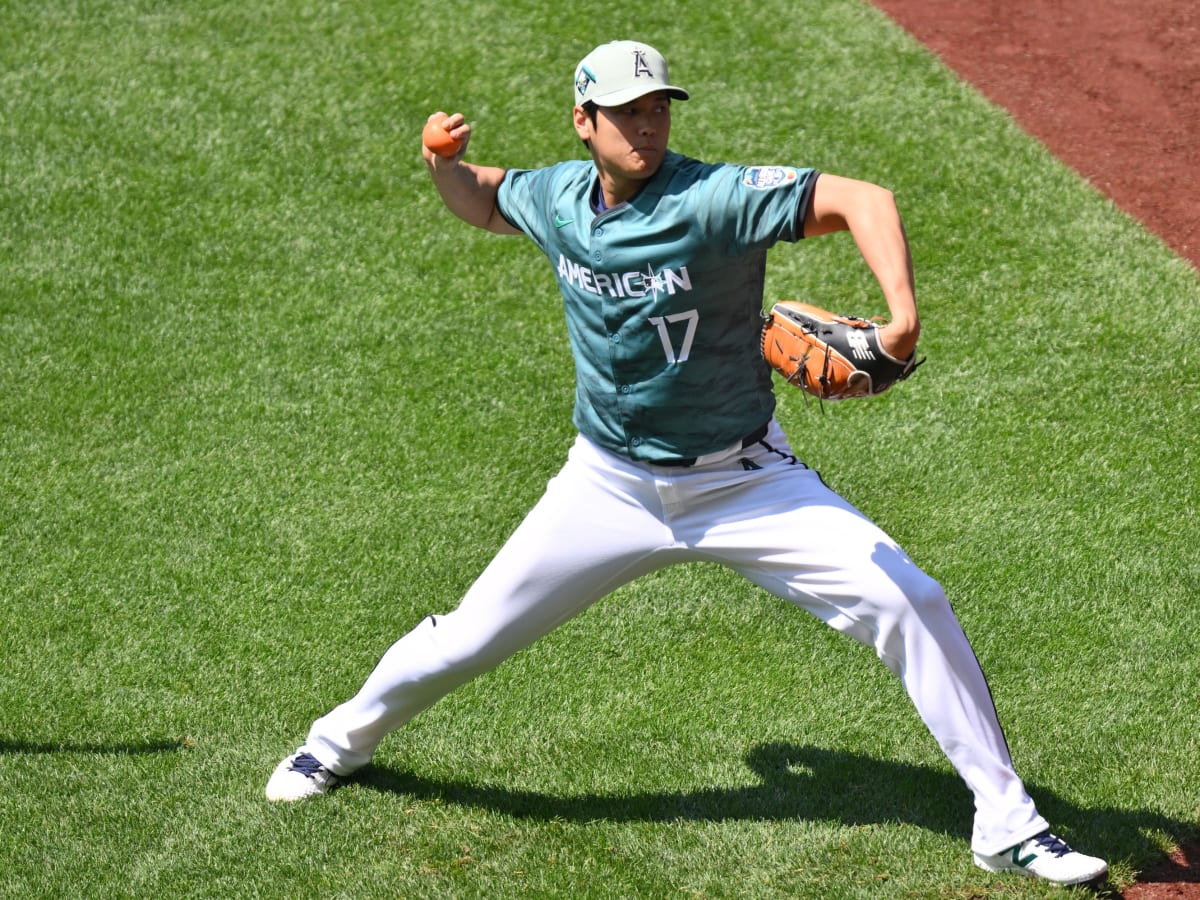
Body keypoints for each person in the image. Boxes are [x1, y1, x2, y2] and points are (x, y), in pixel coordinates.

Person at [266, 40, 1107, 887]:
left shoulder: (713, 199)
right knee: (468, 640)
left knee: (911, 599)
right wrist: (440, 161)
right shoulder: (558, 196)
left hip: (744, 484)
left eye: (659, 106)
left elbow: (861, 198)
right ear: (583, 122)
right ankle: (334, 745)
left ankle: (1007, 824)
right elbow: (483, 198)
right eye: (628, 111)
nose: (648, 124)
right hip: (607, 485)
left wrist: (902, 322)